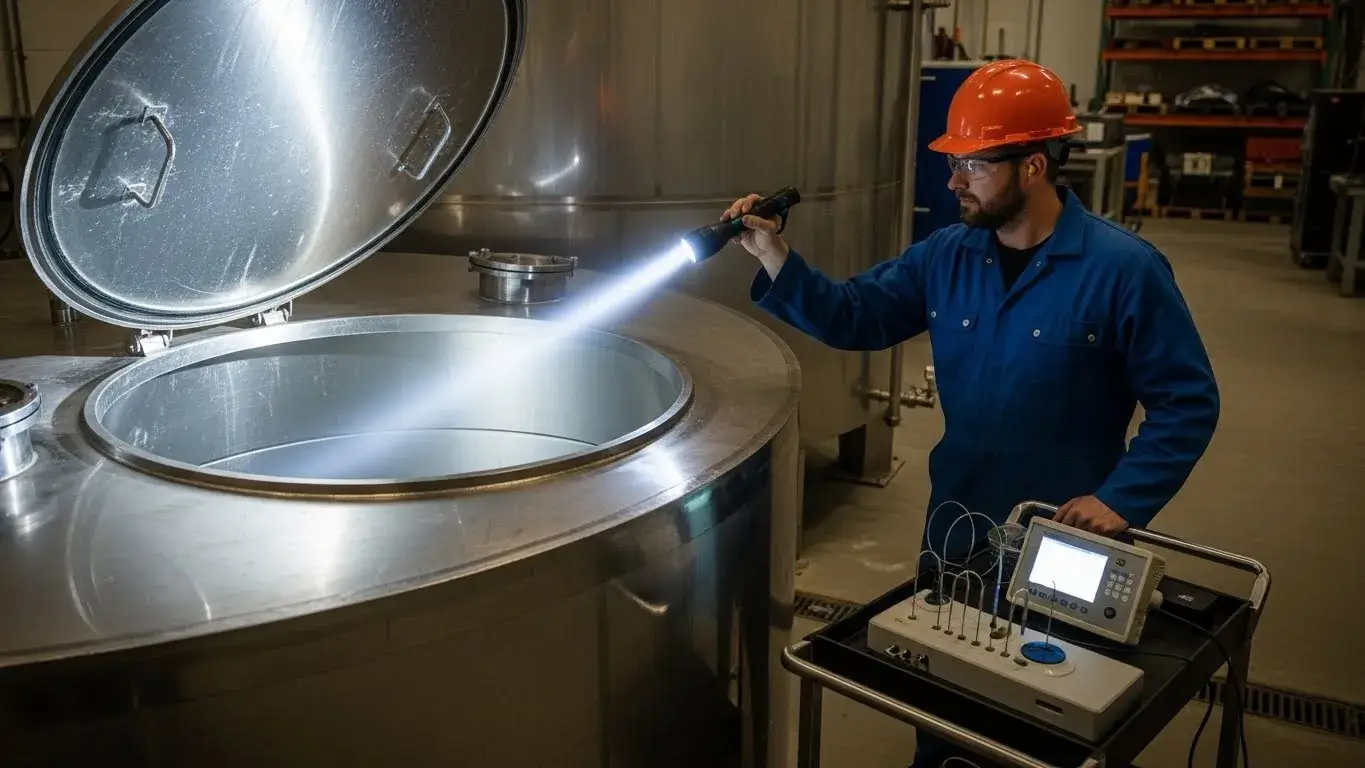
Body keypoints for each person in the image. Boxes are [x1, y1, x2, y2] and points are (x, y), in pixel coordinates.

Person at [724, 59, 1219, 767]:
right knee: (946, 703)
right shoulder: (947, 256)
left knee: (1046, 715)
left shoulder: (1122, 270)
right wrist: (773, 254)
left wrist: (1120, 500)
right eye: (953, 164)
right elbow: (855, 316)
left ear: (1034, 166)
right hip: (956, 531)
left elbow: (1186, 400)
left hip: (1062, 543)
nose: (953, 182)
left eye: (973, 166)